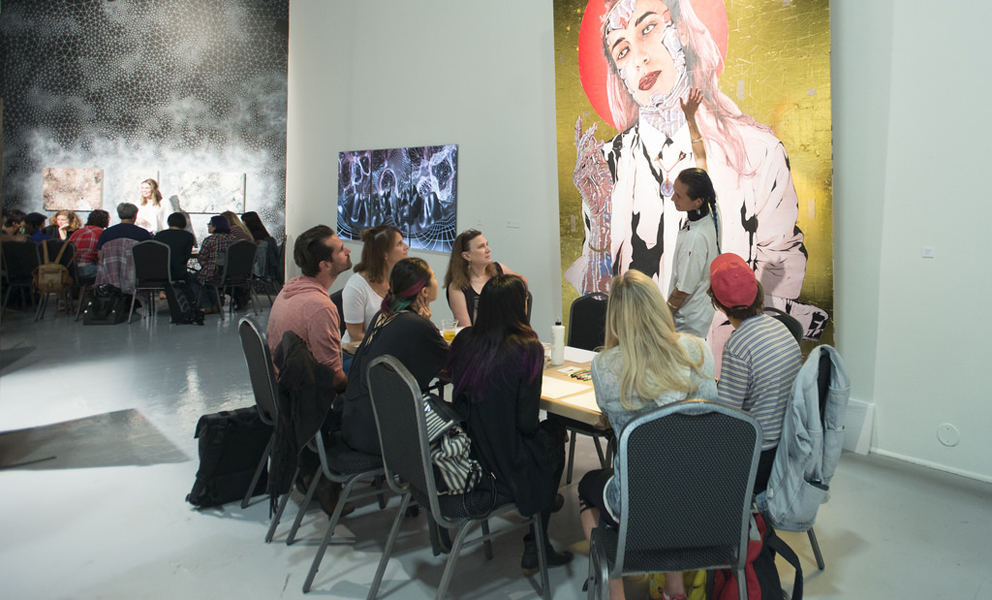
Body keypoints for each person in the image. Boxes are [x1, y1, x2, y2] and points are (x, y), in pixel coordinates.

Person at [575, 0, 825, 344]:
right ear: (617, 73)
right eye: (622, 51)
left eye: (648, 29)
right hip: (640, 349)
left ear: (683, 31)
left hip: (720, 355)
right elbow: (597, 298)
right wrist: (600, 220)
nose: (639, 58)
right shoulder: (606, 166)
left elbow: (780, 270)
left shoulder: (758, 151)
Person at [577, 269, 717, 600]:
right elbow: (710, 413)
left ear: (615, 317)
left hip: (637, 500)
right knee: (670, 478)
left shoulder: (604, 365)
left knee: (586, 487)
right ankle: (674, 588)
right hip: (698, 492)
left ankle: (616, 590)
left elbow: (607, 413)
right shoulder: (698, 351)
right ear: (658, 306)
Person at [448, 274, 573, 572]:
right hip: (502, 460)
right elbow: (527, 424)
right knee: (554, 435)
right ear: (520, 306)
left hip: (468, 451)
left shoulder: (465, 339)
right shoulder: (526, 348)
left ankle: (544, 500)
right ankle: (537, 541)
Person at [707, 253, 801, 493]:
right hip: (786, 446)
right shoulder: (780, 327)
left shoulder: (738, 345)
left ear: (717, 304)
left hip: (758, 455)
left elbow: (727, 417)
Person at [340, 257, 447, 455]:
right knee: (453, 413)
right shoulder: (414, 324)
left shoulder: (383, 316)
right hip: (383, 433)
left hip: (358, 422)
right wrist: (428, 325)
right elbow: (455, 363)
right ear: (424, 291)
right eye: (433, 277)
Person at [266, 225, 352, 393]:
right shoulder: (320, 307)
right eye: (341, 250)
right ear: (325, 265)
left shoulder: (290, 287)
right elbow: (333, 379)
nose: (348, 250)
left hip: (288, 383)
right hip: (307, 396)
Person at [666, 167, 720, 338]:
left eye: (679, 196)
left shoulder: (695, 238)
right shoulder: (713, 210)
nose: (673, 198)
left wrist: (661, 317)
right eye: (674, 191)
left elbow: (682, 291)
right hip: (699, 313)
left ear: (698, 201)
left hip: (687, 324)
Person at [443, 229, 526, 326]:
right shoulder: (456, 287)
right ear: (466, 256)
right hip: (478, 339)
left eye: (487, 244)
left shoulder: (499, 269)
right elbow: (466, 329)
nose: (488, 249)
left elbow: (523, 281)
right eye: (481, 247)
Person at [342, 225, 409, 345]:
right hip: (359, 353)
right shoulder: (356, 286)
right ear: (384, 253)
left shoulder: (399, 279)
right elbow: (355, 335)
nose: (406, 247)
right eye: (399, 244)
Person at [95, 203, 153, 293]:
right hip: (135, 277)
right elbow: (148, 256)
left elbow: (100, 255)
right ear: (135, 215)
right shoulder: (143, 234)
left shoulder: (107, 233)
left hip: (110, 276)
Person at [194, 215, 235, 313]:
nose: (208, 226)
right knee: (210, 280)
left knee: (194, 279)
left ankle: (207, 305)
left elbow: (202, 258)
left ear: (216, 226)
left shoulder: (210, 240)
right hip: (231, 274)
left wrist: (206, 265)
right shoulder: (233, 239)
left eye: (210, 224)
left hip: (214, 273)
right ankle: (216, 304)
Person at [69, 209, 110, 280]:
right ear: (105, 221)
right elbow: (100, 255)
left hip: (72, 268)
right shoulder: (102, 233)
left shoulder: (77, 232)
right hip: (88, 268)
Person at [154, 212, 196, 282]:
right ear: (184, 223)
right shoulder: (188, 236)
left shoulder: (159, 235)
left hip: (159, 272)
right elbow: (186, 256)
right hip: (178, 272)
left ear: (169, 222)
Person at [241, 211, 280, 280]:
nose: (242, 224)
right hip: (265, 267)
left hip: (257, 268)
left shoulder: (255, 236)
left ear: (248, 222)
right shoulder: (262, 233)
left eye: (243, 221)